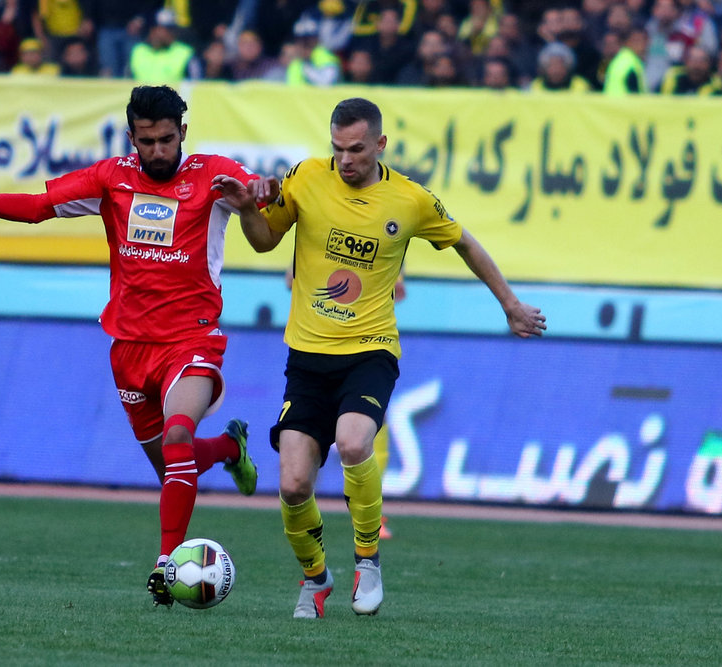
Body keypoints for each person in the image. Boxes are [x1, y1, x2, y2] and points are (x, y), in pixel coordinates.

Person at [0, 85, 263, 608]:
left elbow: (263, 192)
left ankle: (166, 565)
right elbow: (38, 206)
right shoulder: (111, 178)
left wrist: (260, 193)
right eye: (146, 141)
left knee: (177, 434)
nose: (157, 151)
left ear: (183, 135)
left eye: (166, 140)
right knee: (175, 461)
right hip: (128, 349)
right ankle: (228, 448)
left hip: (191, 340)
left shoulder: (212, 174)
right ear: (132, 137)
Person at [214, 97, 545, 618]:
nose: (345, 160)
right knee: (294, 483)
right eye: (338, 149)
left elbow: (465, 243)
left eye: (357, 149)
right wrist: (249, 209)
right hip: (306, 355)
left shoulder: (410, 199)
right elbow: (263, 242)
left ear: (380, 145)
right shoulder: (304, 177)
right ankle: (316, 581)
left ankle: (367, 561)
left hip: (370, 350)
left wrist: (510, 304)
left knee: (352, 442)